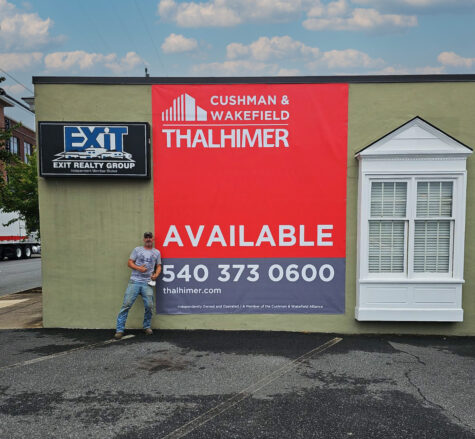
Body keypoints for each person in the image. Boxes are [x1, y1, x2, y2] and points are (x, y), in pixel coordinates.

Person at [114, 232, 162, 339]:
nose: (148, 239)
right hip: (134, 281)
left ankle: (146, 326)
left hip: (147, 283)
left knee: (149, 306)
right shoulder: (137, 250)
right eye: (146, 237)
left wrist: (156, 274)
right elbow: (130, 262)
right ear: (144, 239)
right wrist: (139, 268)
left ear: (153, 239)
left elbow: (158, 266)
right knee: (126, 305)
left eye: (150, 237)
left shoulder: (156, 252)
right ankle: (119, 330)